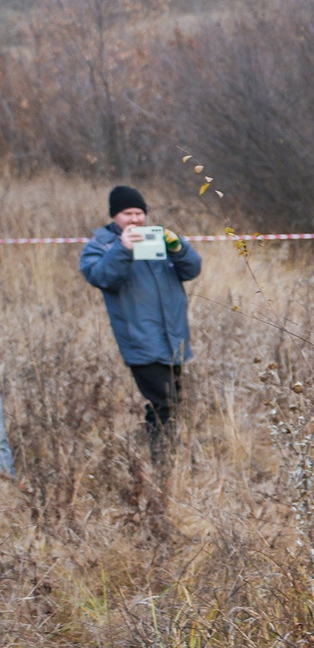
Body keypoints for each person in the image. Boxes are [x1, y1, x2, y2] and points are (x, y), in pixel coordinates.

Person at [77, 185, 200, 457]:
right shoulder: (101, 246)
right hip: (140, 340)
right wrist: (123, 249)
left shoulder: (159, 240)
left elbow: (192, 269)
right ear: (114, 216)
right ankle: (162, 461)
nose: (134, 219)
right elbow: (102, 277)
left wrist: (180, 248)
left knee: (174, 402)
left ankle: (168, 456)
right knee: (163, 401)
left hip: (175, 337)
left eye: (139, 213)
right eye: (127, 213)